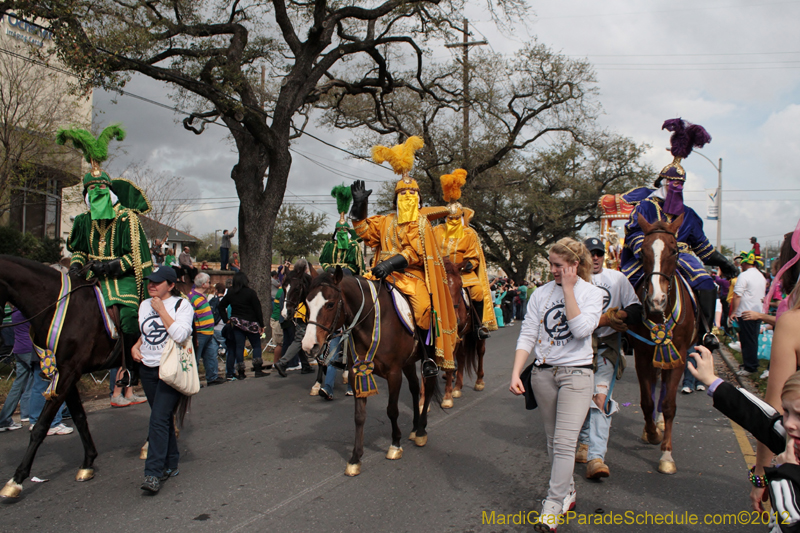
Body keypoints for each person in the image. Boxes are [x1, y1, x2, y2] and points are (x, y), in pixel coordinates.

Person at [510, 238, 603, 532]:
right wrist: (515, 373)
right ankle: (568, 491)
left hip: (577, 375)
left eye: (558, 265)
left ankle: (552, 505)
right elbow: (527, 334)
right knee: (553, 442)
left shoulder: (592, 294)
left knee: (565, 443)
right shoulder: (540, 294)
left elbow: (580, 330)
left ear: (575, 265)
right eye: (550, 264)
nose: (552, 270)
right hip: (543, 374)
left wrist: (567, 289)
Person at [621, 119, 736, 352]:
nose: (677, 185)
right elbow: (633, 232)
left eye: (681, 182)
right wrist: (645, 251)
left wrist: (722, 261)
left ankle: (706, 333)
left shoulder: (689, 215)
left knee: (706, 283)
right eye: (673, 181)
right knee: (623, 282)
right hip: (647, 254)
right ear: (663, 182)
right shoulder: (644, 206)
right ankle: (624, 329)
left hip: (681, 256)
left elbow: (702, 247)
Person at [350, 137, 456, 378]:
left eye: (412, 193)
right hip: (380, 274)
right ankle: (342, 352)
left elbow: (415, 252)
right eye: (402, 193)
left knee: (424, 308)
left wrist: (390, 263)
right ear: (396, 198)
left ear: (418, 199)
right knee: (354, 301)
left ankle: (428, 356)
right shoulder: (386, 220)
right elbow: (364, 232)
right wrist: (359, 208)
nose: (407, 196)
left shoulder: (421, 224)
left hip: (410, 277)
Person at [61, 124, 153, 391]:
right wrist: (78, 264)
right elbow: (78, 249)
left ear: (109, 192)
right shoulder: (82, 221)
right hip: (92, 278)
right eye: (93, 193)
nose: (97, 196)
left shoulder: (127, 218)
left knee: (127, 315)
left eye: (102, 191)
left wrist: (110, 265)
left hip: (121, 280)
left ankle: (132, 366)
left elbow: (134, 258)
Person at [688, 345, 800, 533]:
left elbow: (792, 525)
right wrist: (712, 381)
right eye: (787, 411)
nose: (789, 423)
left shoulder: (790, 459)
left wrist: (787, 474)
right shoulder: (792, 439)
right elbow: (759, 418)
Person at [575, 237, 642, 479]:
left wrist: (619, 314)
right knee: (581, 398)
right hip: (578, 349)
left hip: (607, 349)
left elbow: (636, 308)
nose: (595, 257)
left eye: (599, 253)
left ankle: (596, 457)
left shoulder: (618, 279)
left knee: (600, 397)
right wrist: (601, 319)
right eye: (590, 253)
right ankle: (583, 443)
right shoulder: (574, 279)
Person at [131, 267, 194, 493]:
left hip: (170, 369)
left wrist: (161, 311)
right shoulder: (144, 305)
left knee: (157, 419)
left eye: (157, 282)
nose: (151, 285)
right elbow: (146, 331)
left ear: (170, 285)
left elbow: (180, 334)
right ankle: (172, 461)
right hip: (147, 368)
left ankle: (153, 473)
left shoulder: (181, 305)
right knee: (163, 418)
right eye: (150, 282)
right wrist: (137, 345)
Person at [433, 169, 497, 339]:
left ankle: (478, 326)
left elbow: (474, 256)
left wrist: (466, 265)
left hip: (462, 273)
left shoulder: (469, 233)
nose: (453, 221)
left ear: (461, 217)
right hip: (440, 273)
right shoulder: (435, 231)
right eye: (450, 219)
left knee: (477, 291)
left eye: (456, 218)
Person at [219, 271, 266, 379]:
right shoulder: (250, 293)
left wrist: (226, 319)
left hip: (237, 323)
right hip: (251, 322)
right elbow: (257, 309)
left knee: (239, 347)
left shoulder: (231, 293)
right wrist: (261, 324)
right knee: (256, 346)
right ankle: (258, 369)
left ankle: (240, 372)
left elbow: (221, 306)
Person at [273, 259, 315, 377]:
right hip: (303, 313)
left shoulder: (291, 278)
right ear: (305, 269)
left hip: (296, 313)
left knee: (299, 339)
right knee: (299, 339)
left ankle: (305, 365)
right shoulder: (305, 279)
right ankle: (283, 362)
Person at [730, 250, 767, 376]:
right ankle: (750, 364)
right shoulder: (760, 276)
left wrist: (734, 311)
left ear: (746, 263)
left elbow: (737, 295)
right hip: (757, 312)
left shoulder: (744, 276)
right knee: (752, 339)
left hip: (745, 312)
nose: (740, 265)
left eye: (741, 263)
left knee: (747, 341)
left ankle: (750, 367)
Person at [0, 306, 34, 432]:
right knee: (43, 379)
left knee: (19, 384)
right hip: (29, 349)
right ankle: (36, 416)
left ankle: (5, 419)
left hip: (18, 349)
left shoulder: (14, 312)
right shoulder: (25, 310)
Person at [190, 273, 227, 385]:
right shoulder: (193, 298)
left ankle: (212, 376)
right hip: (200, 332)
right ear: (203, 284)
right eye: (208, 282)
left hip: (208, 331)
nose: (210, 284)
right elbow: (191, 317)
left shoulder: (203, 296)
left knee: (211, 355)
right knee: (195, 358)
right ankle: (193, 381)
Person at [320, 184, 365, 276]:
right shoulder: (329, 245)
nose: (342, 232)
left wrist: (345, 272)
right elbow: (323, 261)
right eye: (339, 230)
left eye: (344, 230)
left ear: (348, 231)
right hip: (330, 275)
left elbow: (355, 265)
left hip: (347, 276)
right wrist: (329, 269)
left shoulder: (353, 245)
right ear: (336, 231)